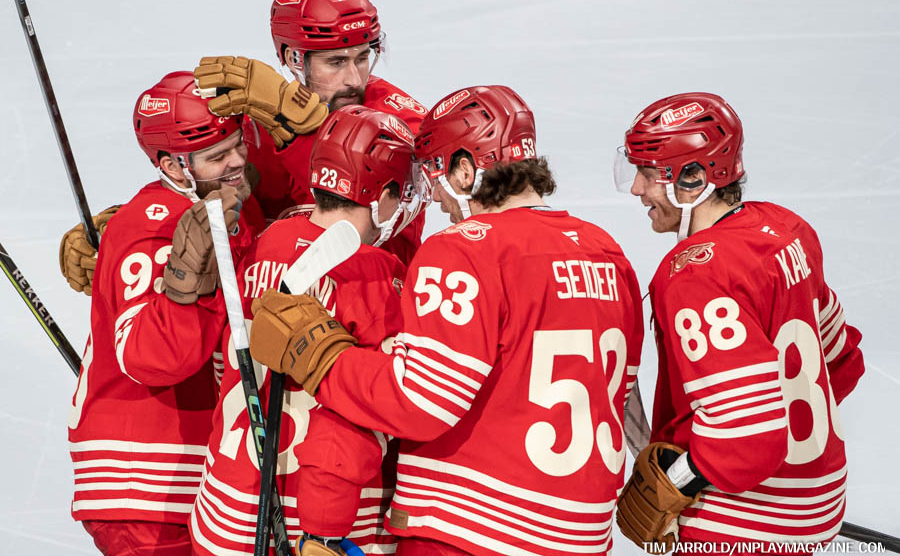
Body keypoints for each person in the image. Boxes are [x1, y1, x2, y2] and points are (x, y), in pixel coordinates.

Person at [247, 85, 645, 556]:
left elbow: (418, 400)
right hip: (581, 533)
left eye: (437, 171)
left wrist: (319, 355)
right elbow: (622, 390)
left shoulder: (463, 250)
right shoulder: (605, 249)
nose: (435, 197)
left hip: (472, 529)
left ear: (466, 169)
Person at [130, 105, 428, 555]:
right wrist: (323, 533)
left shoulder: (262, 243)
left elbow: (221, 364)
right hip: (312, 523)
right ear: (383, 194)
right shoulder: (375, 278)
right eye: (404, 190)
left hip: (223, 509)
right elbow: (360, 414)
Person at [612, 92, 865, 553]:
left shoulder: (695, 275)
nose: (637, 189)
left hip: (745, 521)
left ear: (693, 178)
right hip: (822, 498)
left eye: (649, 174)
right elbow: (842, 360)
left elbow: (745, 438)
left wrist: (678, 479)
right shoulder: (786, 229)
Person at [67, 71, 266, 555]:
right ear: (174, 167)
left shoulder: (231, 209)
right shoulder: (152, 224)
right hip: (146, 482)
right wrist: (185, 290)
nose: (237, 161)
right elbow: (150, 358)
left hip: (185, 476)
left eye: (238, 145)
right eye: (218, 156)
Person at [207, 0, 428, 265]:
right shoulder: (256, 126)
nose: (354, 80)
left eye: (362, 58)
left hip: (375, 283)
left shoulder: (400, 119)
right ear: (293, 58)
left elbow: (376, 223)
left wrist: (297, 138)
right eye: (336, 62)